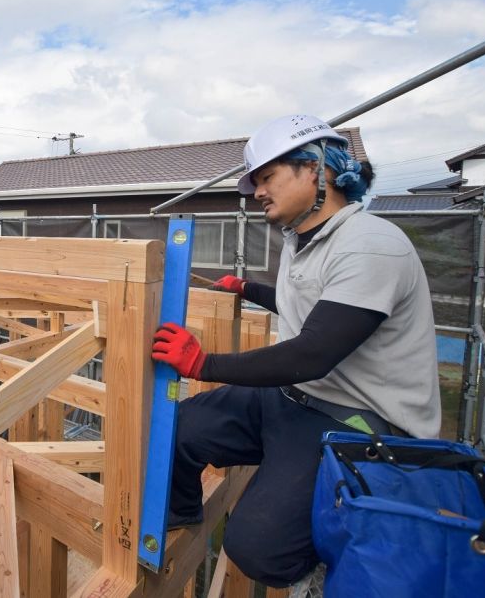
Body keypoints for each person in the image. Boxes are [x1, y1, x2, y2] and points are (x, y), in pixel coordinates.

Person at [151, 114, 440, 590]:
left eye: (267, 177)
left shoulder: (371, 245)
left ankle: (326, 559)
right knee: (181, 428)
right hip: (294, 397)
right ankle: (182, 514)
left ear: (317, 170)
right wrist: (246, 288)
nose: (258, 191)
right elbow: (307, 304)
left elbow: (314, 352)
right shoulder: (302, 241)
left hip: (358, 423)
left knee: (256, 550)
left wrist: (203, 364)